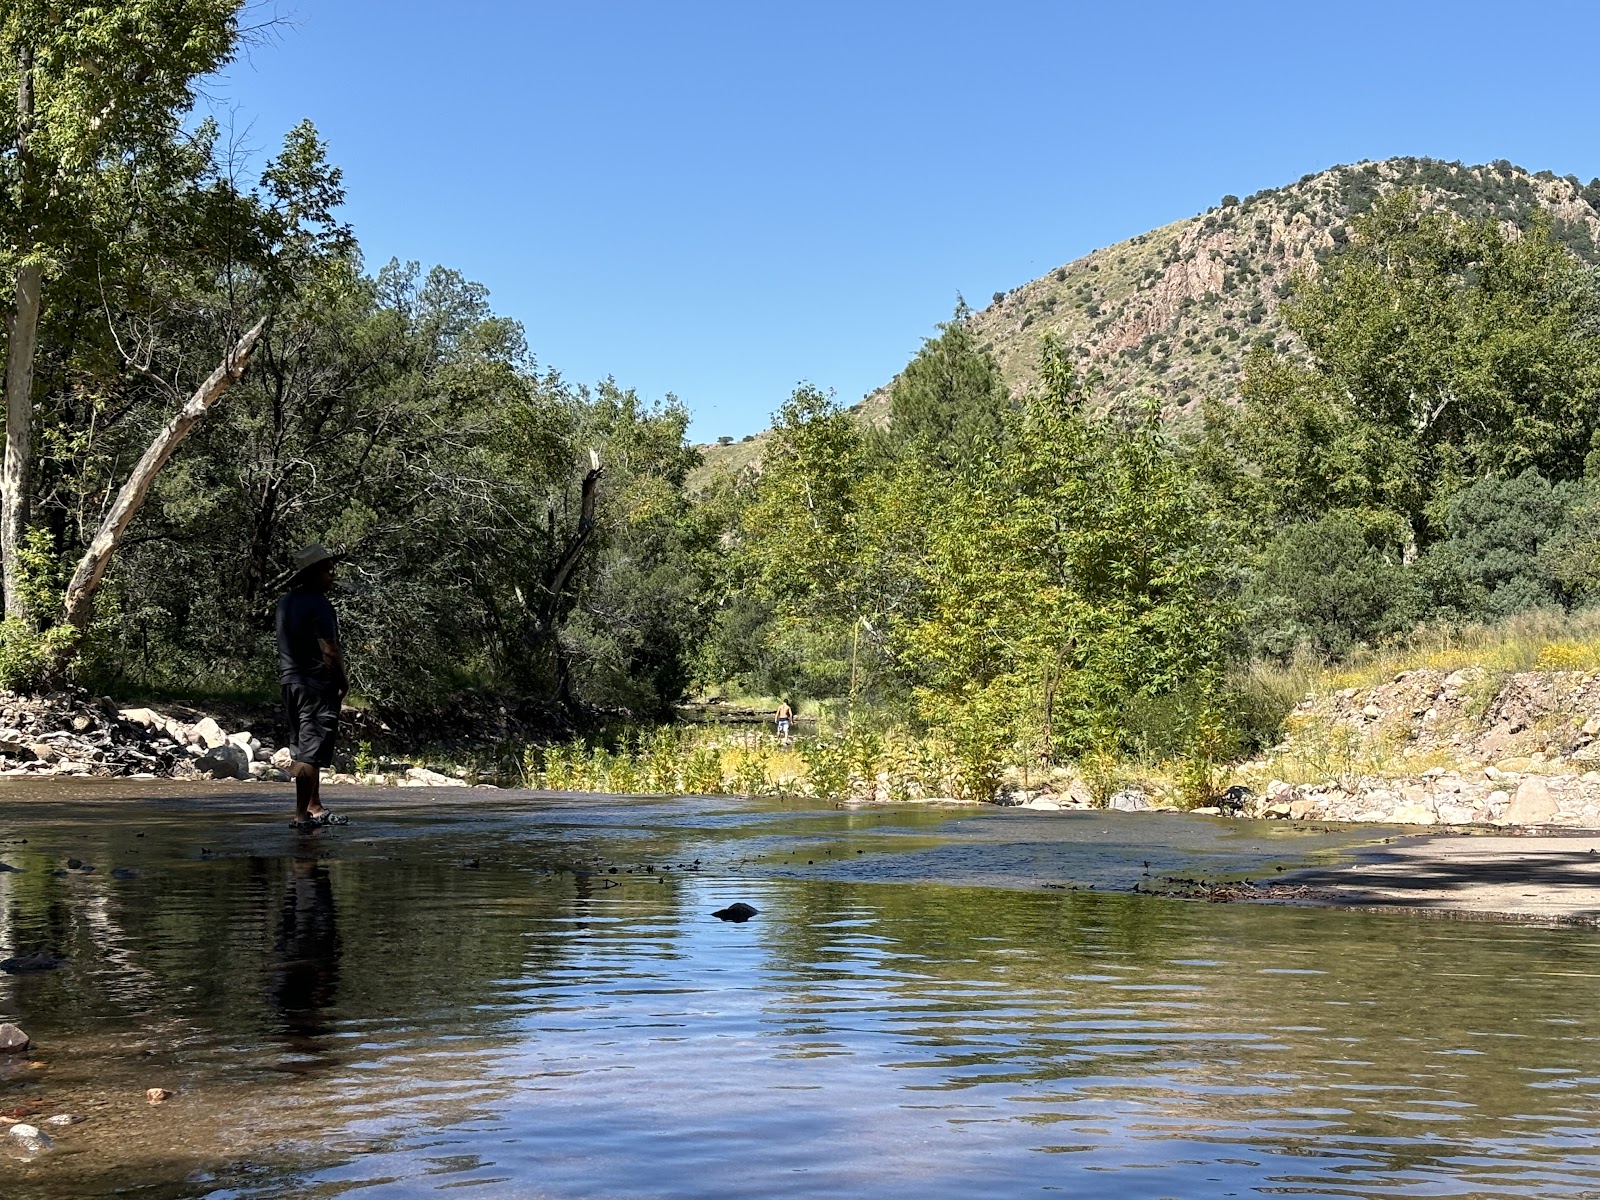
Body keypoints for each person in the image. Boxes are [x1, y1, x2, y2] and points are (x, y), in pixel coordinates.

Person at [277, 544, 349, 828]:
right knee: (310, 750)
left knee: (304, 748)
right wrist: (341, 682)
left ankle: (314, 807)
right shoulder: (319, 604)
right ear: (313, 574)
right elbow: (329, 650)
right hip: (315, 684)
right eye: (327, 570)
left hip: (290, 682)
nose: (333, 575)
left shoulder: (286, 603)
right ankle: (300, 816)